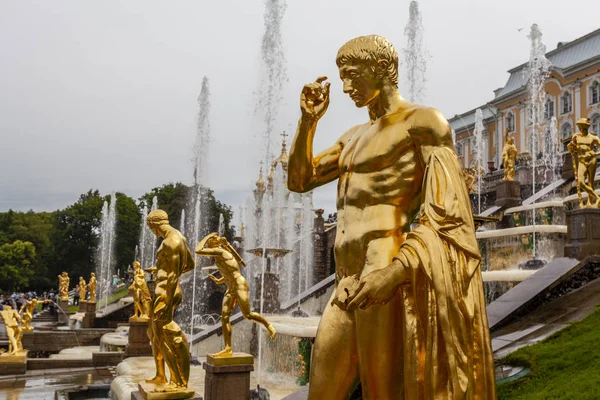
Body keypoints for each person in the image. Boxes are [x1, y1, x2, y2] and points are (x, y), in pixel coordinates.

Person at [287, 35, 495, 399]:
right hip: (345, 279)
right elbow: (299, 180)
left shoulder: (424, 123)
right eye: (342, 78)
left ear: (381, 69)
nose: (346, 87)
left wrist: (394, 273)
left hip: (386, 269)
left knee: (383, 393)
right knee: (321, 390)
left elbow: (448, 213)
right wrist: (307, 122)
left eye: (353, 75)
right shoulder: (352, 138)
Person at [196, 232, 276, 357]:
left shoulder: (221, 251)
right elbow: (228, 273)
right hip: (231, 287)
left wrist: (206, 236)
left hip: (239, 285)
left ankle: (268, 325)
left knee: (247, 314)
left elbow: (198, 250)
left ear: (214, 243)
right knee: (225, 317)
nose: (208, 242)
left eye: (211, 240)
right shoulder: (219, 255)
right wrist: (218, 280)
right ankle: (228, 348)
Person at [145, 209, 195, 392]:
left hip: (166, 292)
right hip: (164, 289)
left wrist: (166, 299)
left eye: (151, 228)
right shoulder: (178, 237)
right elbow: (190, 264)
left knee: (164, 335)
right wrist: (161, 269)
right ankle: (161, 374)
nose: (152, 232)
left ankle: (178, 381)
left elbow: (174, 275)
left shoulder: (170, 241)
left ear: (154, 224)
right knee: (153, 334)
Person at [568, 117, 600, 207]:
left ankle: (590, 202)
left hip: (591, 160)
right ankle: (597, 198)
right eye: (581, 127)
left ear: (587, 127)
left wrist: (596, 153)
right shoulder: (576, 137)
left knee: (590, 182)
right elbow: (571, 147)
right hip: (582, 161)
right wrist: (570, 147)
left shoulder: (593, 138)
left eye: (584, 127)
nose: (582, 129)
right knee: (581, 183)